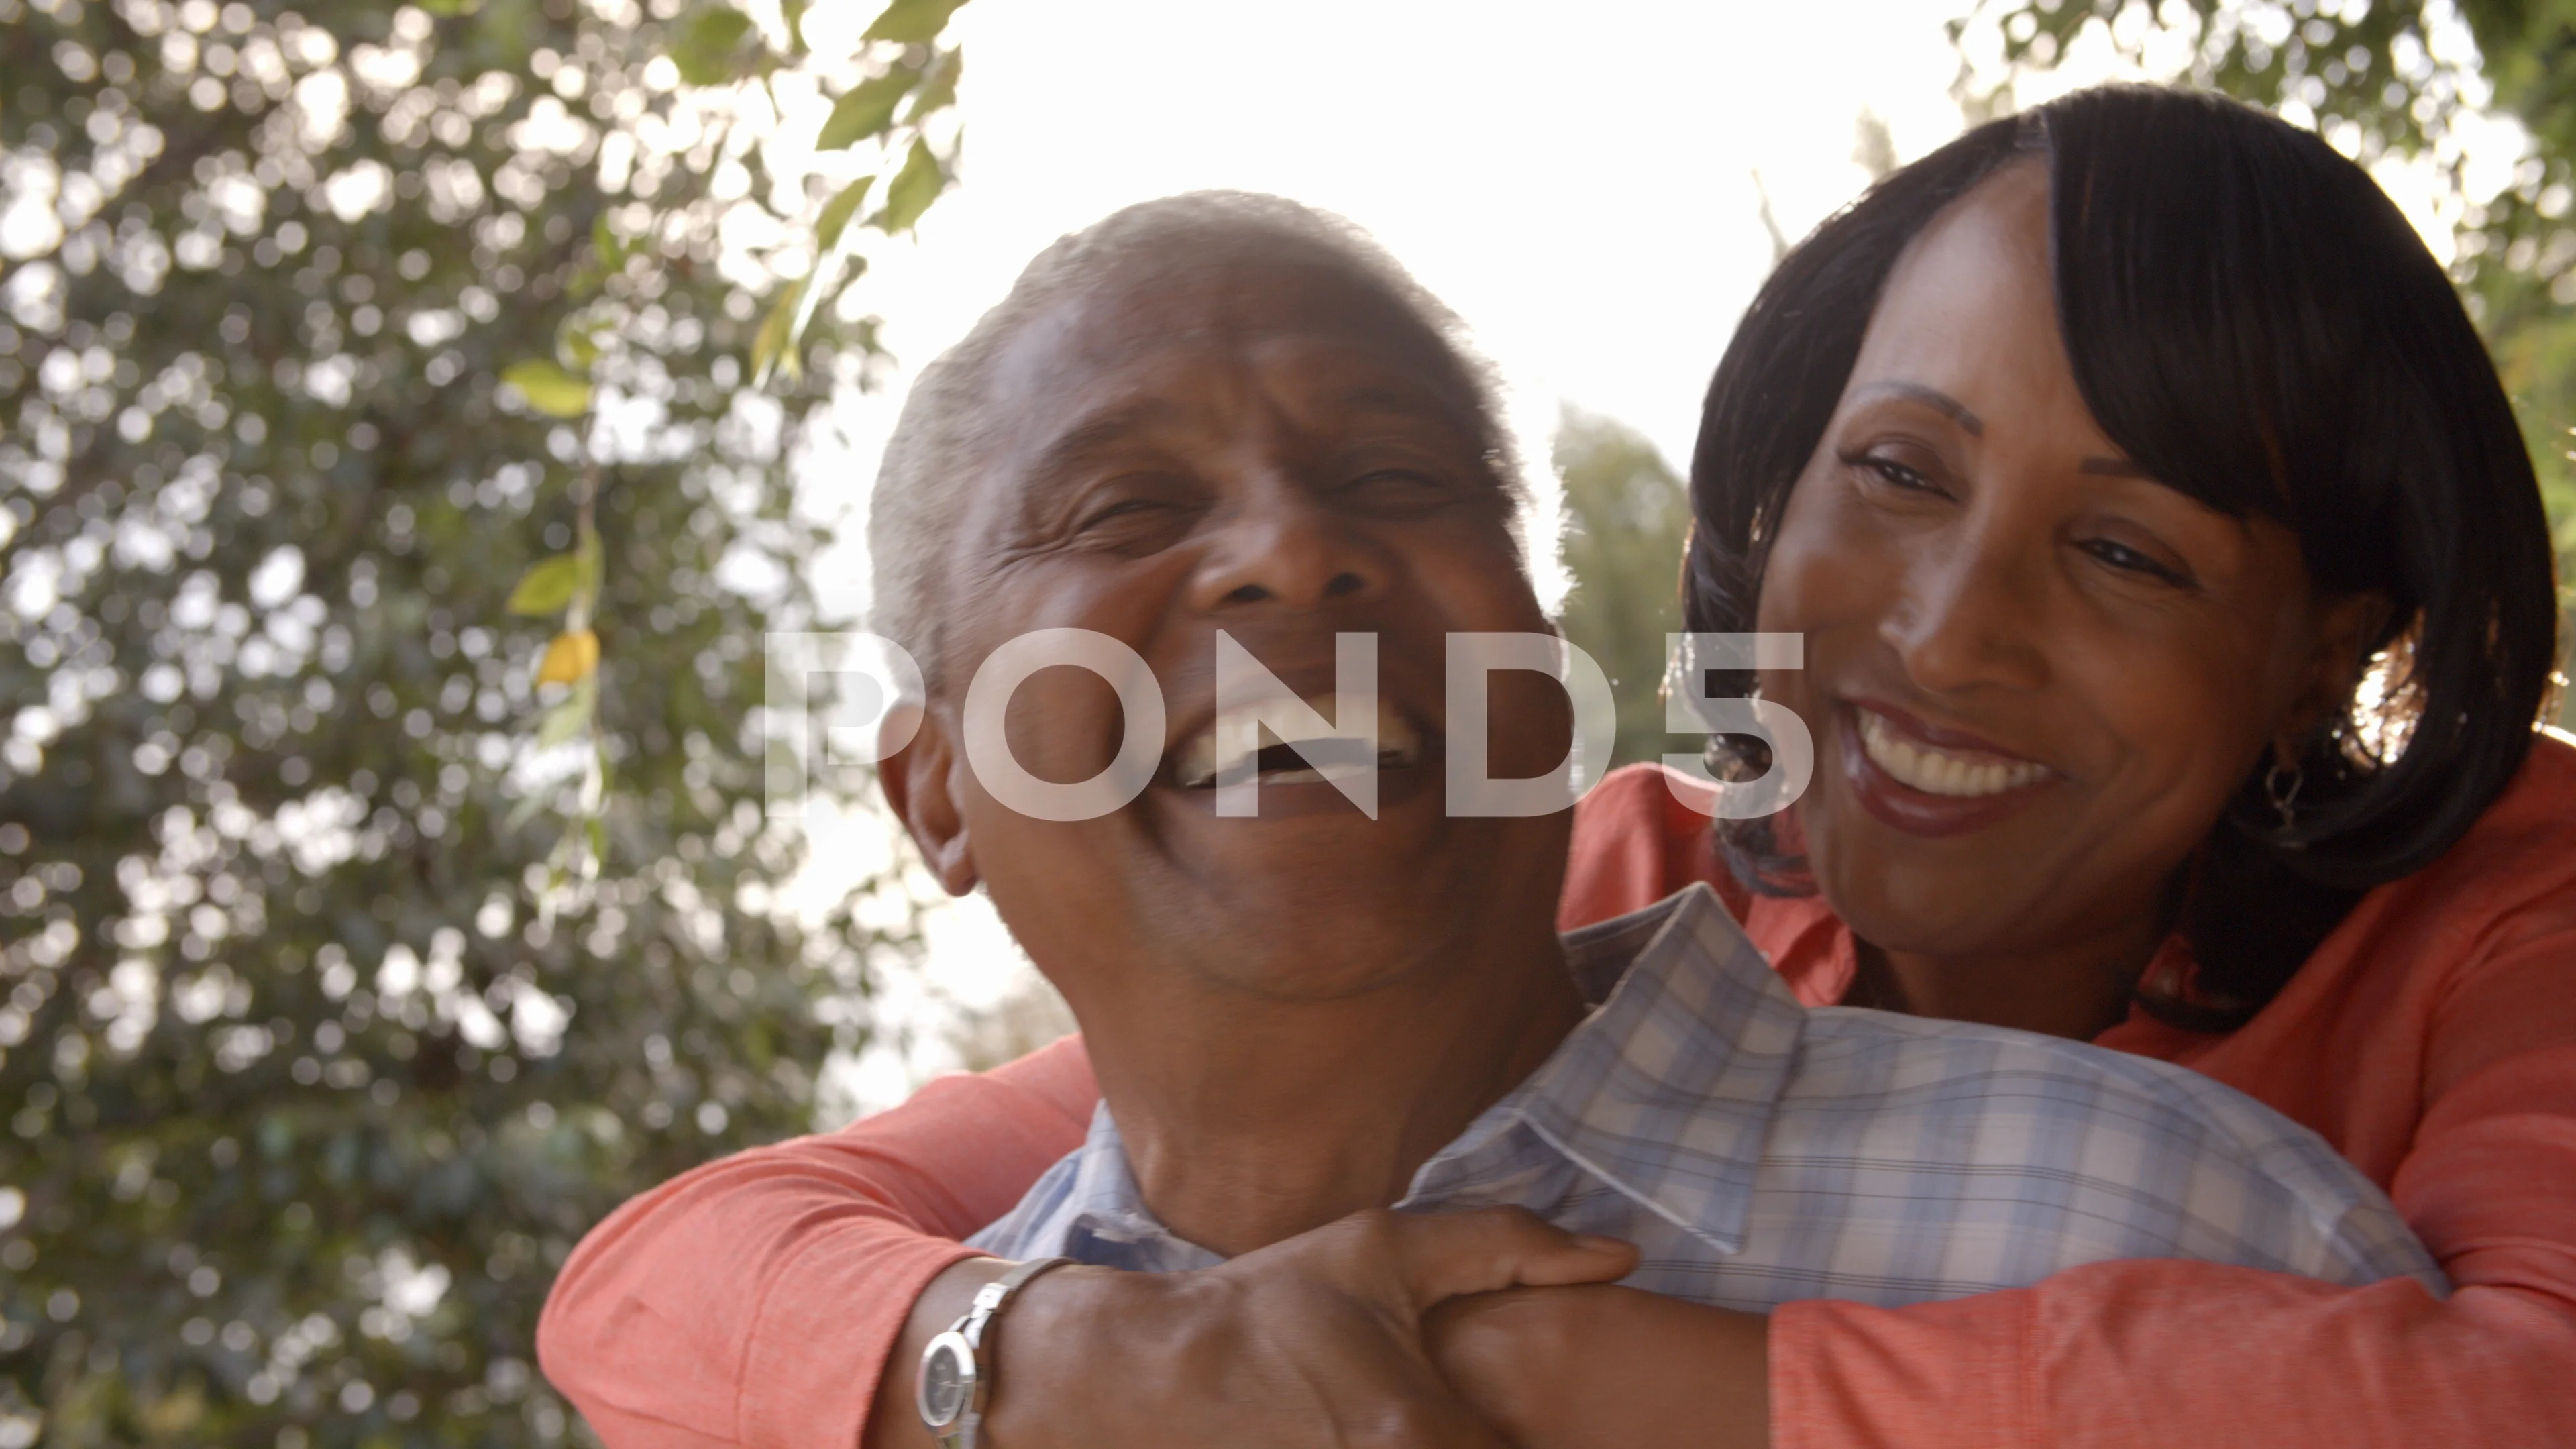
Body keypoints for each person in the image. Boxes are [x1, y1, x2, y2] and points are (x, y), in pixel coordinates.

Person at [538, 86, 2576, 1448]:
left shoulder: (2487, 946)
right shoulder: (1606, 868)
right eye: (1891, 473)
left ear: (2331, 647)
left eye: (2129, 552)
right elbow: (670, 1276)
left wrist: (1473, 1355)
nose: (1950, 635)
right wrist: (1086, 1358)